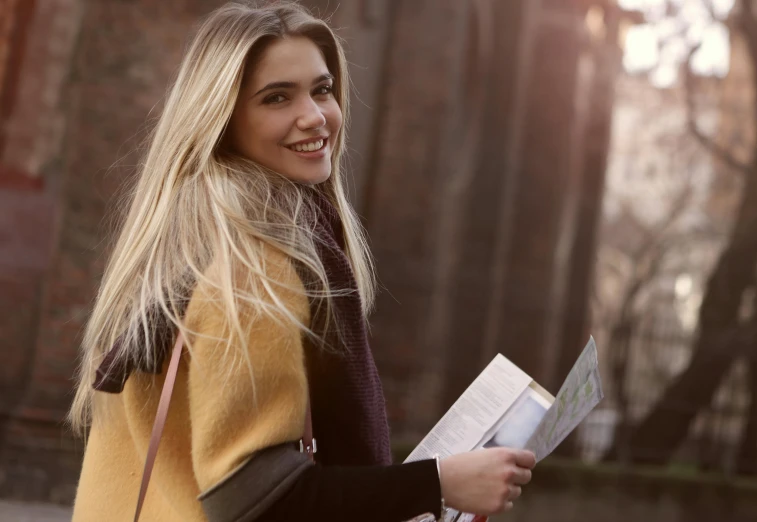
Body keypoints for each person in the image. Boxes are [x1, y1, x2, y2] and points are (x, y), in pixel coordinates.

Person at [68, 2, 536, 521]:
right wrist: (439, 483)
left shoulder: (183, 240)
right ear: (221, 118)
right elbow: (254, 501)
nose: (314, 116)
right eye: (276, 98)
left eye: (322, 89)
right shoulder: (255, 262)